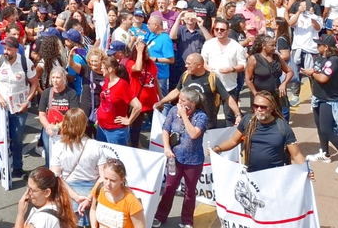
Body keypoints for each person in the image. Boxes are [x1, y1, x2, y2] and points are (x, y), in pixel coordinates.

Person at [212, 91, 311, 174]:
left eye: (263, 107)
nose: (258, 109)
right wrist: (217, 149)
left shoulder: (283, 127)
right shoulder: (247, 121)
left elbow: (296, 154)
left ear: (272, 108)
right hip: (252, 174)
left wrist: (306, 171)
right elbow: (233, 141)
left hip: (276, 176)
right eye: (255, 106)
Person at [152, 88, 208, 228]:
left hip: (193, 161)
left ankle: (187, 220)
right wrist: (166, 147)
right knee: (169, 188)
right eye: (179, 99)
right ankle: (160, 216)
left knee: (189, 191)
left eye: (183, 100)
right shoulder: (172, 112)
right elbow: (166, 129)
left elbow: (194, 134)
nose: (179, 102)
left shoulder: (201, 117)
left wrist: (184, 116)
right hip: (175, 158)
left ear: (192, 103)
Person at [0, 36, 39, 183]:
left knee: (17, 140)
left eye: (9, 49)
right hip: (1, 108)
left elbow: (34, 84)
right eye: (5, 48)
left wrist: (27, 102)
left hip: (19, 108)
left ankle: (17, 168)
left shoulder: (25, 63)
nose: (6, 51)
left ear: (16, 49)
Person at [303, 34, 338, 174]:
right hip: (318, 97)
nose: (316, 46)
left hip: (330, 100)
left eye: (319, 44)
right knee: (320, 127)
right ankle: (325, 153)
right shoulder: (320, 57)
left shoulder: (333, 61)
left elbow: (323, 78)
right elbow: (317, 71)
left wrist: (311, 73)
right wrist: (313, 72)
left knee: (327, 129)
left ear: (326, 47)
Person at [51, 109, 108, 227]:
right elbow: (103, 177)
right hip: (92, 194)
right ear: (84, 125)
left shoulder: (58, 146)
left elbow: (55, 177)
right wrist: (88, 199)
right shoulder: (96, 145)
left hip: (67, 194)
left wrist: (76, 197)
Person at [154, 53, 240, 129]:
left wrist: (238, 115)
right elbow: (176, 91)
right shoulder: (185, 75)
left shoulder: (212, 78)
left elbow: (227, 98)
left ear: (198, 65)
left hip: (207, 124)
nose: (186, 66)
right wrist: (161, 102)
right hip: (186, 121)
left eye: (189, 64)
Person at [200, 17, 246, 125]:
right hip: (212, 86)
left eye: (222, 29)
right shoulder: (208, 44)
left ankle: (230, 139)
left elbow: (243, 65)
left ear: (228, 31)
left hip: (229, 86)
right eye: (217, 29)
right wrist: (208, 68)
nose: (219, 31)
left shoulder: (236, 46)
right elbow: (203, 61)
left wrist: (232, 69)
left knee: (230, 115)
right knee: (210, 115)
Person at [38, 67, 80, 167]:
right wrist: (48, 127)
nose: (55, 80)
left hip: (66, 129)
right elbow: (42, 114)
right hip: (49, 130)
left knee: (66, 158)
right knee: (50, 157)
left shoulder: (71, 93)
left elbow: (73, 115)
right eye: (53, 77)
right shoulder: (47, 93)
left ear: (63, 79)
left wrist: (58, 127)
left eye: (58, 77)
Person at [96, 55, 142, 145]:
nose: (101, 70)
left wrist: (129, 120)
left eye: (102, 68)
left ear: (110, 69)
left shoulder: (122, 85)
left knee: (116, 157)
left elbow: (138, 106)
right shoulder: (107, 81)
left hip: (115, 131)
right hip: (101, 127)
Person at [90, 158, 146, 228]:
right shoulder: (99, 189)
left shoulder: (132, 203)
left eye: (113, 180)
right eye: (105, 178)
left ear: (122, 180)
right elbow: (93, 209)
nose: (108, 183)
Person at [245, 35, 293, 110]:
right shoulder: (254, 59)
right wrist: (255, 94)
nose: (274, 48)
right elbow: (248, 79)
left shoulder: (276, 57)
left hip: (277, 95)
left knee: (282, 117)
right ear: (263, 46)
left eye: (275, 45)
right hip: (261, 97)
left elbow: (290, 71)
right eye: (272, 46)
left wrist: (284, 83)